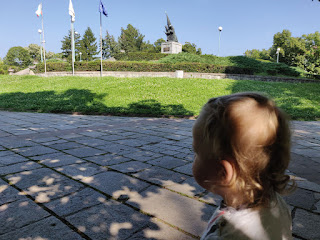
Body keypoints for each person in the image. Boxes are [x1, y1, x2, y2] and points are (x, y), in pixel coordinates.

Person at [192, 92, 294, 240]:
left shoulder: (223, 236)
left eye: (196, 152)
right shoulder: (277, 205)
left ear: (223, 173)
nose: (193, 157)